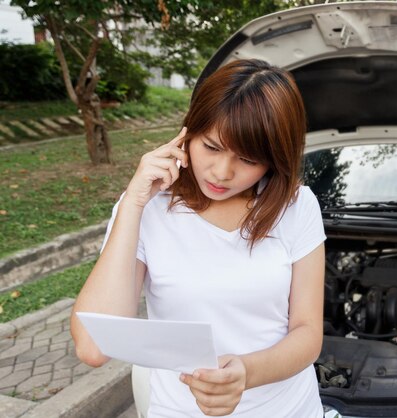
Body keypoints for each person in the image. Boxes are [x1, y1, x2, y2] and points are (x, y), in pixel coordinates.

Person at [70, 59, 326, 417]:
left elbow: (307, 331)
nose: (223, 172)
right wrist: (132, 205)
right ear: (188, 132)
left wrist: (246, 373)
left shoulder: (297, 207)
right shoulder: (146, 209)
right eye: (211, 146)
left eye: (248, 159)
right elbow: (92, 348)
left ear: (273, 160)